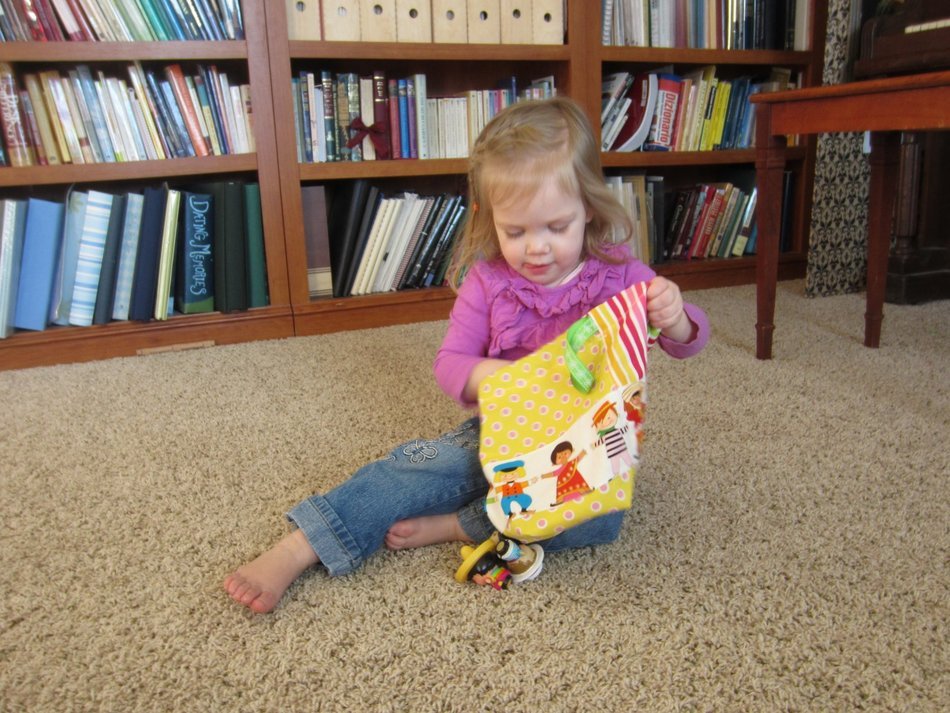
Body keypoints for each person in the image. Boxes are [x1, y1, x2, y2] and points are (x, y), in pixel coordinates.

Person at [224, 96, 709, 613]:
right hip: (498, 432)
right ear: (489, 217)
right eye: (515, 231)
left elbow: (687, 341)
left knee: (601, 518)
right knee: (415, 470)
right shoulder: (489, 282)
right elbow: (450, 364)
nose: (536, 248)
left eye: (556, 227)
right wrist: (499, 377)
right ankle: (302, 545)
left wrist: (675, 315)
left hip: (587, 445)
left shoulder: (619, 276)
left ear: (588, 207)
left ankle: (462, 524)